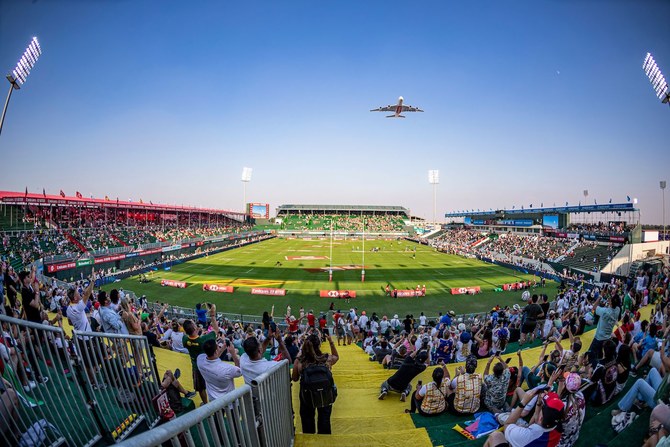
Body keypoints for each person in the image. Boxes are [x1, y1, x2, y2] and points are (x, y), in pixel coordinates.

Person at [291, 332, 339, 435]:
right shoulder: (326, 359)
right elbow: (336, 356)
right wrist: (331, 342)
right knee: (324, 420)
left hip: (307, 396)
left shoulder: (300, 361)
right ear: (319, 345)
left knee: (307, 421)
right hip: (325, 395)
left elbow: (294, 378)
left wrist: (299, 354)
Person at [483, 389, 565, 447]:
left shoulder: (525, 436)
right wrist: (539, 403)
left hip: (525, 439)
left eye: (542, 407)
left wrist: (523, 403)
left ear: (541, 418)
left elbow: (507, 424)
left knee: (495, 436)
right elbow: (536, 423)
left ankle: (498, 413)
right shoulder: (557, 427)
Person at [182, 303, 219, 404]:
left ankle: (205, 403)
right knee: (211, 384)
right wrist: (212, 315)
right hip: (208, 366)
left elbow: (188, 337)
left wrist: (198, 333)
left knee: (200, 387)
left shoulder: (185, 340)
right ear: (195, 328)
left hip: (196, 367)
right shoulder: (203, 340)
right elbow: (216, 330)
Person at [587, 294, 621, 366]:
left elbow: (594, 307)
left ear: (611, 302)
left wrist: (600, 297)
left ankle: (593, 368)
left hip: (599, 338)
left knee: (589, 355)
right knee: (601, 353)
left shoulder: (604, 311)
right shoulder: (618, 310)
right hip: (607, 338)